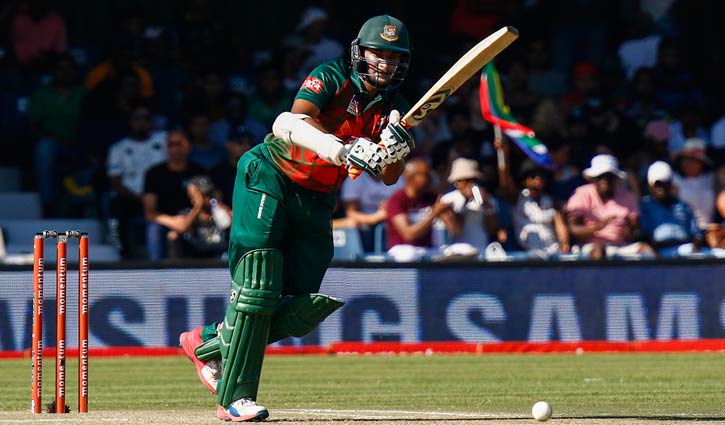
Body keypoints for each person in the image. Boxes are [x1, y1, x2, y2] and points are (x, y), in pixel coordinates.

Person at [177, 15, 415, 421]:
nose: (385, 63)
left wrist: (396, 151)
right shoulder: (332, 75)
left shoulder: (391, 107)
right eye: (378, 53)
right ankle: (236, 398)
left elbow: (389, 176)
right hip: (271, 175)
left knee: (297, 306)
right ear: (360, 52)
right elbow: (289, 121)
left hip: (318, 199)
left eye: (394, 57)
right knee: (259, 280)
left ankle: (207, 343)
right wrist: (341, 149)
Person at [106, 103, 167, 259]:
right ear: (130, 121)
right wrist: (138, 197)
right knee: (115, 206)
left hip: (160, 197)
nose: (141, 122)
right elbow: (115, 181)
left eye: (146, 118)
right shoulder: (117, 148)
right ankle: (123, 253)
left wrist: (151, 197)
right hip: (131, 197)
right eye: (137, 118)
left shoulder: (164, 140)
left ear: (152, 122)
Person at [565, 154, 654, 260]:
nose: (604, 180)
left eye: (609, 176)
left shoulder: (628, 196)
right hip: (590, 246)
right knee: (599, 250)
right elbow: (573, 229)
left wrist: (632, 228)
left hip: (621, 246)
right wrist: (597, 227)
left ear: (615, 178)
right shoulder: (582, 193)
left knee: (646, 249)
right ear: (593, 178)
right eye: (600, 176)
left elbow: (636, 232)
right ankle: (598, 271)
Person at [142, 130, 208, 260]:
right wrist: (174, 223)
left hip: (194, 220)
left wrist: (188, 221)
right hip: (166, 222)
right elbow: (149, 213)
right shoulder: (154, 173)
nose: (176, 148)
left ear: (189, 146)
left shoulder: (200, 171)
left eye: (180, 143)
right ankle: (155, 269)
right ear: (166, 148)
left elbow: (206, 206)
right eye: (172, 144)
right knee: (153, 229)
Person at [385, 159, 454, 261]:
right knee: (410, 255)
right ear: (410, 177)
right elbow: (408, 235)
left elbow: (454, 230)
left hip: (427, 249)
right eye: (424, 175)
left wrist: (447, 212)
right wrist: (434, 214)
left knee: (457, 252)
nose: (429, 178)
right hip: (402, 249)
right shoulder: (397, 199)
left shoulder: (431, 197)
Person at [639, 161, 705, 257]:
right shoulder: (645, 206)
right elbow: (644, 233)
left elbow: (697, 234)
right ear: (650, 186)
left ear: (671, 184)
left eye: (665, 183)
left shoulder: (683, 206)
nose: (661, 188)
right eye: (658, 184)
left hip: (684, 249)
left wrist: (695, 247)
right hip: (657, 251)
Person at [439, 157, 498, 254]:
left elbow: (492, 229)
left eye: (474, 180)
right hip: (457, 252)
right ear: (456, 182)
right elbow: (456, 229)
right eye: (465, 181)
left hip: (481, 249)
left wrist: (488, 207)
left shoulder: (486, 198)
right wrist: (465, 200)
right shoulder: (448, 199)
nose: (471, 184)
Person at [166, 175, 232, 259]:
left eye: (209, 193)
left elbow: (229, 225)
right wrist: (198, 206)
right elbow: (183, 227)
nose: (208, 198)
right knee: (173, 235)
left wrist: (229, 215)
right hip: (196, 257)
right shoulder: (187, 214)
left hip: (221, 255)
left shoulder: (219, 211)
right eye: (203, 195)